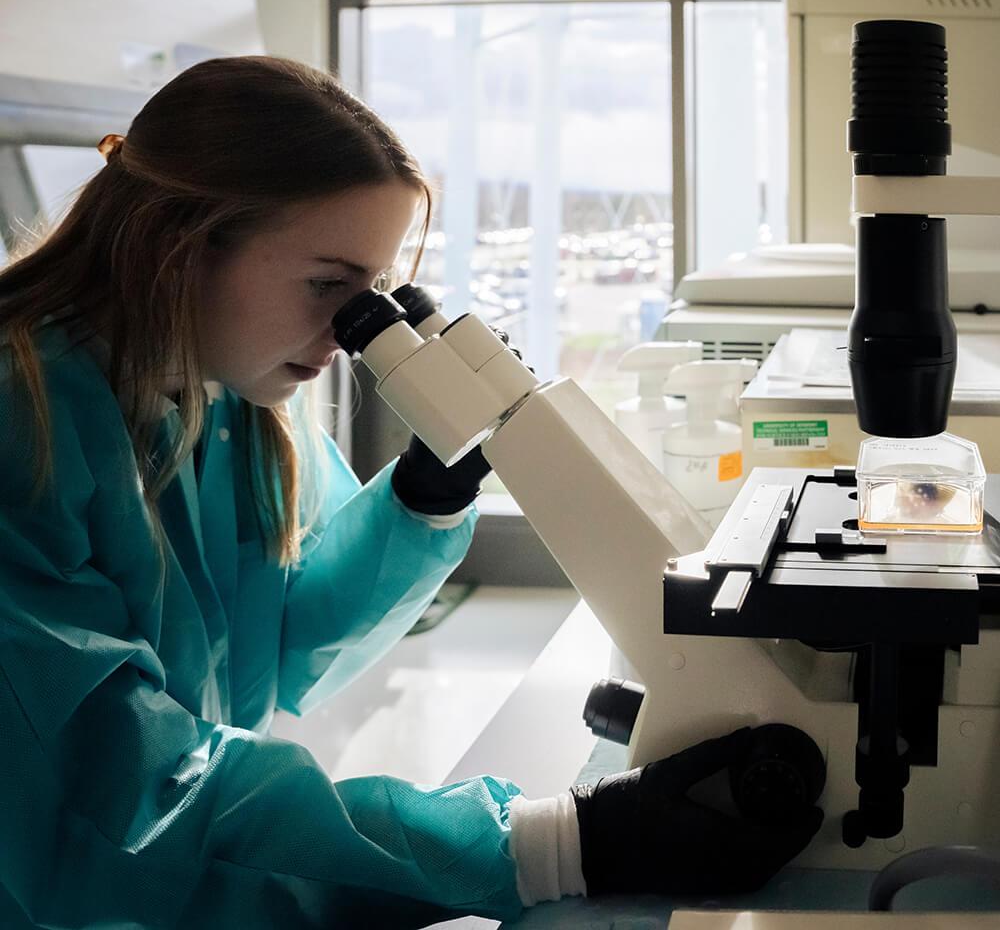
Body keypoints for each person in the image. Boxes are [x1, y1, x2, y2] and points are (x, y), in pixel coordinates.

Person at [0, 56, 821, 929]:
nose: (352, 334)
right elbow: (124, 796)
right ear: (181, 240)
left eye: (375, 296)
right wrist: (548, 844)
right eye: (328, 285)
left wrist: (422, 499)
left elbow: (279, 643)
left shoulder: (219, 399)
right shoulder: (24, 422)